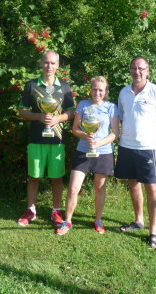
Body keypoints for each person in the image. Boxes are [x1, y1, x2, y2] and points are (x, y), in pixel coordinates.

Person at [114, 57, 156, 249]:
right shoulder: (124, 92)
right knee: (133, 184)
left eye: (141, 68)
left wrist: (155, 140)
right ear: (130, 70)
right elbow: (122, 118)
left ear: (147, 71)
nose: (137, 72)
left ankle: (153, 232)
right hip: (127, 146)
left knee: (152, 189)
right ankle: (139, 220)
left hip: (147, 149)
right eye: (133, 68)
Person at [18, 50, 75, 227]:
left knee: (57, 177)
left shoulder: (64, 87)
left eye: (52, 63)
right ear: (41, 63)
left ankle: (56, 211)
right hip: (36, 139)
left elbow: (71, 112)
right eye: (46, 62)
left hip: (57, 140)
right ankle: (31, 210)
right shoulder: (31, 85)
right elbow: (22, 111)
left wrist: (58, 118)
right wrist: (38, 117)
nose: (49, 66)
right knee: (33, 176)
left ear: (58, 65)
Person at [56, 76, 119, 235]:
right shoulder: (83, 105)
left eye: (101, 90)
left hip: (104, 152)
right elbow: (75, 129)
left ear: (105, 91)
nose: (97, 93)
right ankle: (68, 221)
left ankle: (98, 219)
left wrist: (100, 143)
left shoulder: (111, 107)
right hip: (83, 151)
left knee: (99, 188)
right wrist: (85, 136)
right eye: (95, 89)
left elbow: (115, 133)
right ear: (90, 90)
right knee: (73, 188)